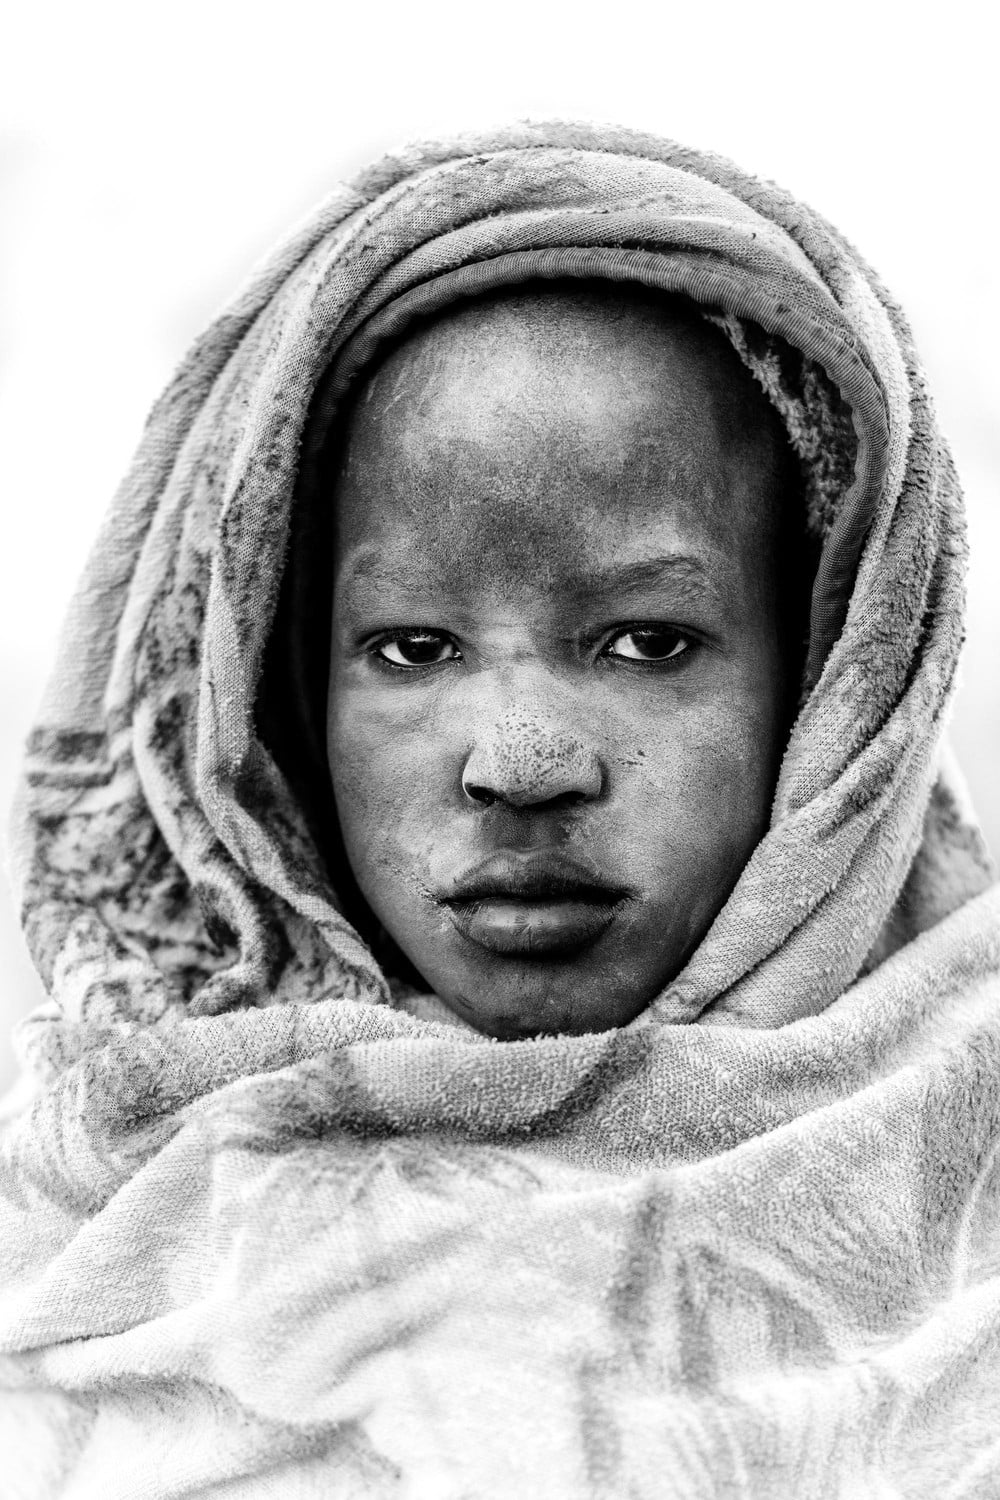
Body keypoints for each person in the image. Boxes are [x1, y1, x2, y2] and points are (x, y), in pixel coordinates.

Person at [1, 122, 998, 1497]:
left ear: (835, 687)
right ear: (276, 698)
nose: (521, 764)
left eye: (648, 641)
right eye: (413, 649)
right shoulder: (99, 1198)